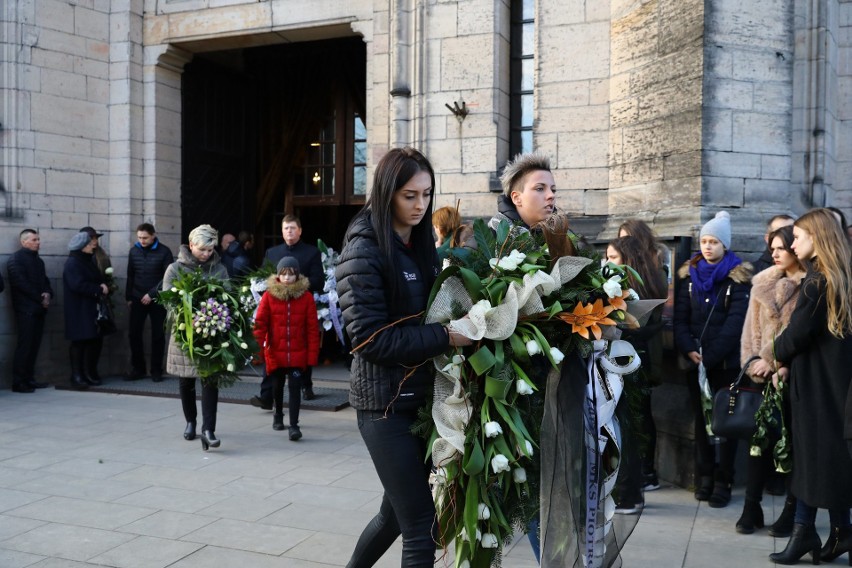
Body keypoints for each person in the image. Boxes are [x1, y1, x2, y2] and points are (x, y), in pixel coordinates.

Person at [336, 147, 471, 568]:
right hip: (383, 405)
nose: (420, 205)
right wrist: (447, 336)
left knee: (393, 516)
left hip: (420, 401)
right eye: (409, 195)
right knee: (422, 527)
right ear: (386, 192)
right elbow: (369, 340)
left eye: (427, 194)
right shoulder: (365, 247)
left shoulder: (418, 245)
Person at [768, 208, 852, 565]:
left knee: (812, 459)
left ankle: (806, 533)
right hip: (836, 383)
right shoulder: (840, 276)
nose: (793, 242)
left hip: (818, 387)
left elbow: (797, 333)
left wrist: (776, 354)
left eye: (799, 236)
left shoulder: (818, 281)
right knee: (829, 460)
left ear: (817, 239)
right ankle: (839, 532)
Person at [673, 211, 752, 508]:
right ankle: (704, 476)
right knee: (700, 420)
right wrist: (688, 348)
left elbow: (735, 324)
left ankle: (723, 480)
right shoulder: (689, 276)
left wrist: (711, 355)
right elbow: (680, 318)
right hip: (695, 361)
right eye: (704, 241)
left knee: (724, 422)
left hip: (724, 364)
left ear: (725, 245)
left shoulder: (737, 279)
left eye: (714, 242)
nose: (707, 247)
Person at [734, 225, 804, 537]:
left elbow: (800, 335)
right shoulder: (761, 284)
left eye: (781, 248)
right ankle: (751, 506)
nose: (774, 254)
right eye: (772, 248)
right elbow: (749, 333)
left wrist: (777, 363)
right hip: (762, 379)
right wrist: (753, 363)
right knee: (757, 444)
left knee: (792, 445)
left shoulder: (808, 285)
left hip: (791, 378)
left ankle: (791, 511)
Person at [606, 236, 668, 515]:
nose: (607, 263)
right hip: (626, 361)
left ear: (628, 260)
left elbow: (643, 326)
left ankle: (630, 494)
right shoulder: (628, 284)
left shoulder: (633, 288)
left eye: (613, 257)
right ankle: (628, 491)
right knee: (624, 429)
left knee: (627, 429)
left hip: (628, 364)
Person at [163, 224, 230, 451]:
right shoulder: (175, 269)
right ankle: (191, 421)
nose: (206, 254)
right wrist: (188, 314)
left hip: (211, 333)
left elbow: (227, 298)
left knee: (210, 380)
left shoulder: (219, 269)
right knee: (186, 379)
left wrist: (215, 313)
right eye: (202, 249)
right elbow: (168, 300)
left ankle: (208, 429)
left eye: (210, 250)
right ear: (191, 245)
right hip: (185, 333)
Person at [254, 215, 324, 404]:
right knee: (272, 349)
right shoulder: (272, 252)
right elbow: (263, 278)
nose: (289, 232)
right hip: (276, 309)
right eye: (286, 228)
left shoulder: (311, 252)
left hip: (301, 307)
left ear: (300, 230)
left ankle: (306, 386)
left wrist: (297, 285)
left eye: (293, 228)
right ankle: (266, 395)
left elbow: (319, 280)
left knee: (301, 345)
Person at [253, 256, 319, 441]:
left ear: (297, 275)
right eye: (284, 274)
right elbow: (260, 324)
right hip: (276, 352)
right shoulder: (269, 296)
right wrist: (256, 350)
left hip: (298, 353)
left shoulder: (306, 297)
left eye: (291, 274)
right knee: (277, 386)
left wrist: (312, 356)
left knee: (295, 388)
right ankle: (278, 414)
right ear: (278, 275)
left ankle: (294, 425)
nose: (288, 278)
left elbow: (313, 329)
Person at [126, 223, 174, 382]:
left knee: (158, 335)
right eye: (139, 237)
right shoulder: (134, 251)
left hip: (158, 298)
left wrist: (151, 293)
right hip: (137, 297)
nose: (142, 240)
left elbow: (168, 277)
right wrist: (129, 297)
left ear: (153, 235)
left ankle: (156, 370)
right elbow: (130, 275)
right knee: (134, 333)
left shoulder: (164, 252)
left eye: (145, 237)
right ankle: (138, 368)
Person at [7, 229, 53, 393]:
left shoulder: (38, 261)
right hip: (25, 310)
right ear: (23, 242)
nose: (38, 242)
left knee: (34, 346)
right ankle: (19, 382)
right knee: (25, 346)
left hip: (38, 309)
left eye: (38, 239)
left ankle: (29, 379)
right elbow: (21, 284)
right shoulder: (16, 260)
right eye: (34, 240)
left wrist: (47, 294)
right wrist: (41, 298)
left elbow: (45, 281)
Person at [63, 231, 110, 390]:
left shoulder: (86, 261)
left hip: (88, 308)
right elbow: (77, 285)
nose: (92, 246)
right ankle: (77, 376)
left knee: (90, 341)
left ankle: (87, 374)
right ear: (82, 247)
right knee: (79, 343)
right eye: (90, 244)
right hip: (78, 309)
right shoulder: (73, 263)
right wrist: (98, 288)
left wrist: (102, 285)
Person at [489, 151, 555, 232]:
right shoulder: (485, 240)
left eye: (553, 190)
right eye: (540, 188)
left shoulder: (561, 237)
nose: (551, 195)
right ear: (517, 198)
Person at [79, 226, 112, 384]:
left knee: (97, 339)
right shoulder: (81, 257)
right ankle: (86, 372)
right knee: (87, 340)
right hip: (88, 303)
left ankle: (92, 371)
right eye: (91, 238)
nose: (94, 241)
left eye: (95, 238)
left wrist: (107, 287)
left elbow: (107, 275)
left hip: (101, 302)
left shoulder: (101, 255)